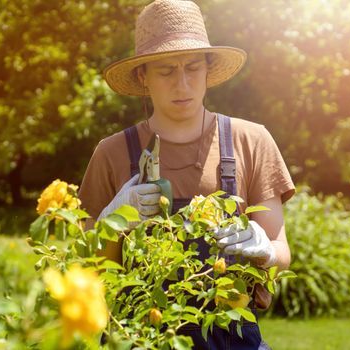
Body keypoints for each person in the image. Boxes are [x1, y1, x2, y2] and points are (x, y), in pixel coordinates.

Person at [79, 1, 295, 349]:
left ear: (208, 70)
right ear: (142, 76)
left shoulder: (250, 141)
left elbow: (281, 252)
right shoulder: (112, 153)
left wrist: (265, 251)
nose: (182, 84)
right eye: (166, 71)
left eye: (193, 68)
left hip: (233, 336)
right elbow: (87, 270)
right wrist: (111, 223)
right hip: (141, 338)